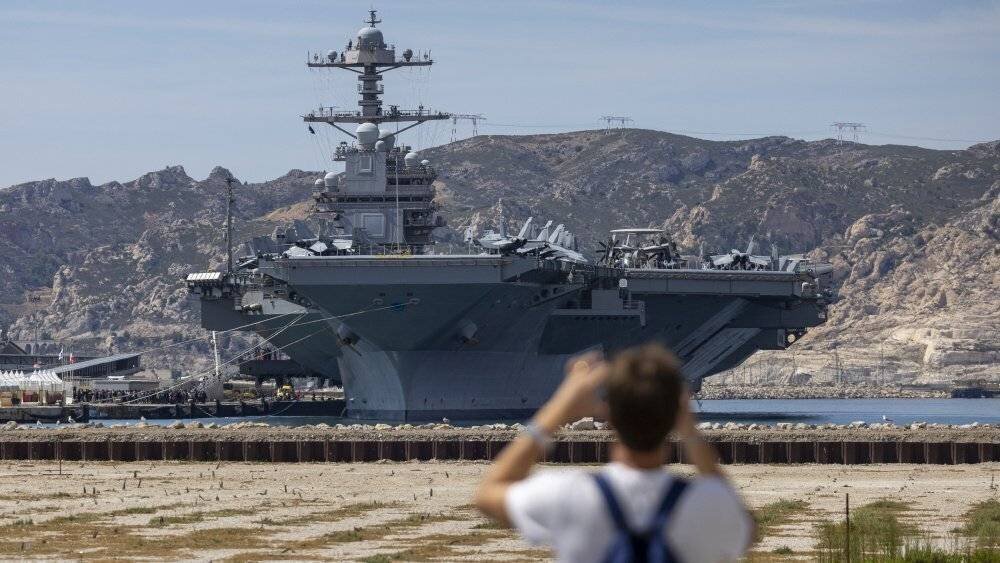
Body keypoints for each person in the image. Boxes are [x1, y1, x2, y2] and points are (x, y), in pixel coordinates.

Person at [475, 344, 753, 562]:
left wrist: (556, 409)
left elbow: (487, 495)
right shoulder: (709, 503)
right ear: (676, 415)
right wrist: (689, 431)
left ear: (608, 415)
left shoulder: (568, 493)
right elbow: (745, 527)